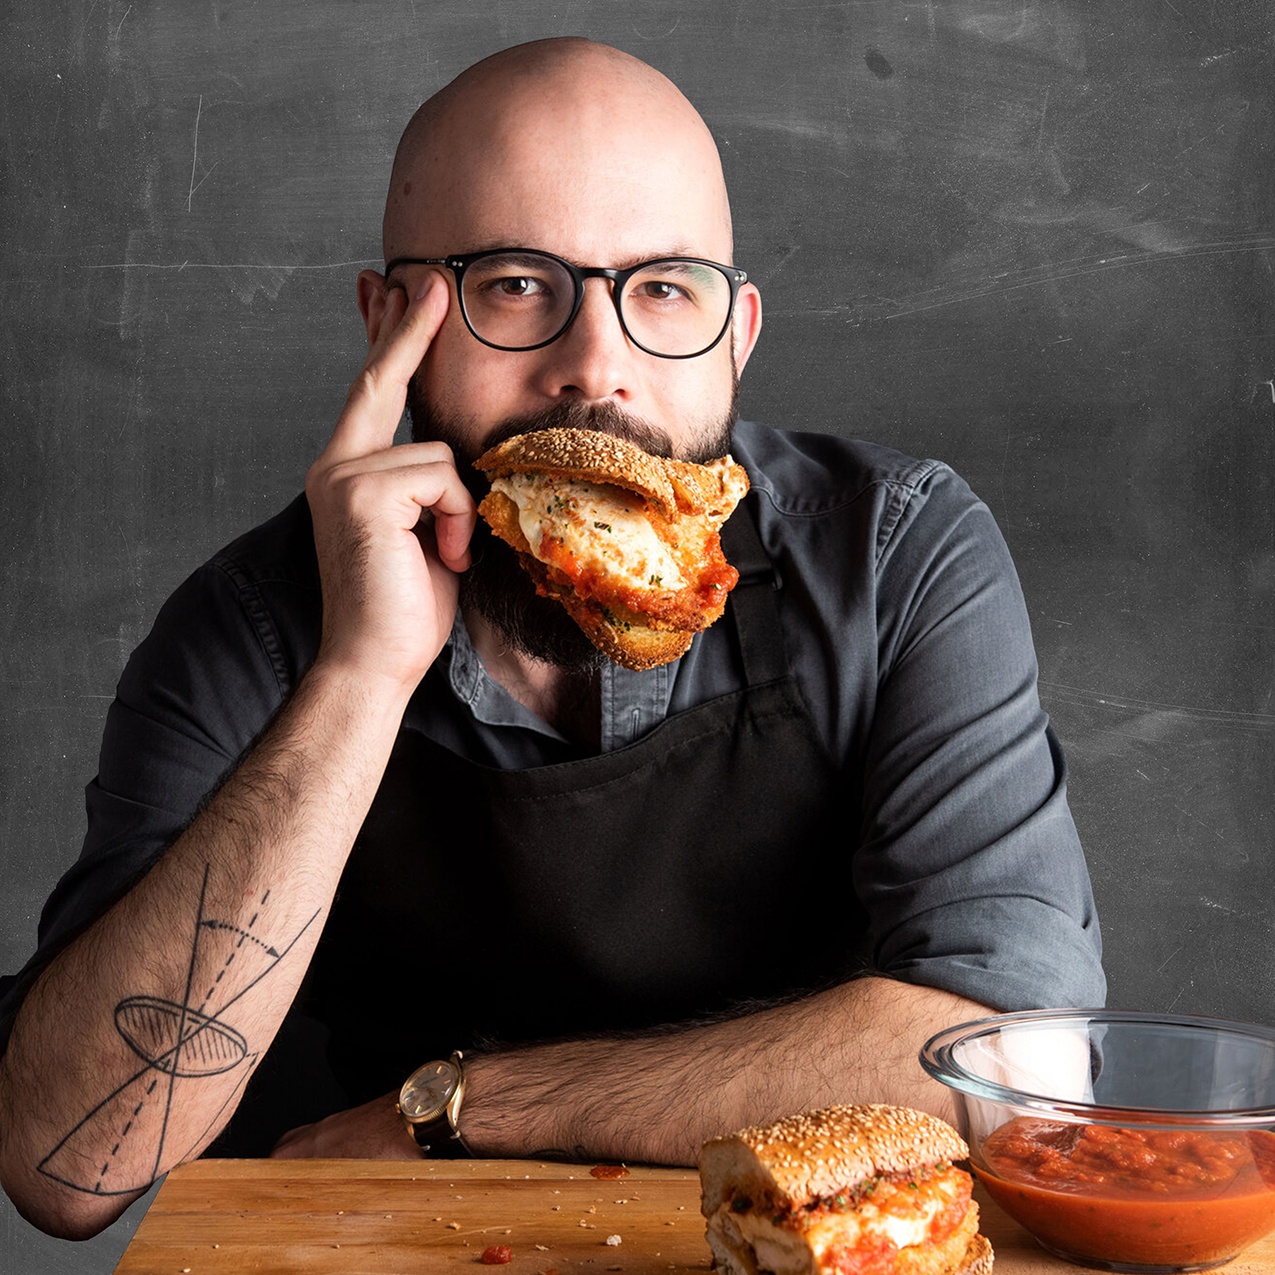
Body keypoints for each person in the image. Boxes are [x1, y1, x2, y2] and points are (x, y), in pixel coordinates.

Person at [0, 37, 1104, 1241]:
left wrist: (464, 1105)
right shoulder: (255, 624)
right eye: (515, 284)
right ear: (386, 327)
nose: (597, 370)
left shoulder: (893, 557)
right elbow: (72, 1168)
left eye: (663, 289)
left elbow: (1027, 1065)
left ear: (736, 336)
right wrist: (361, 676)